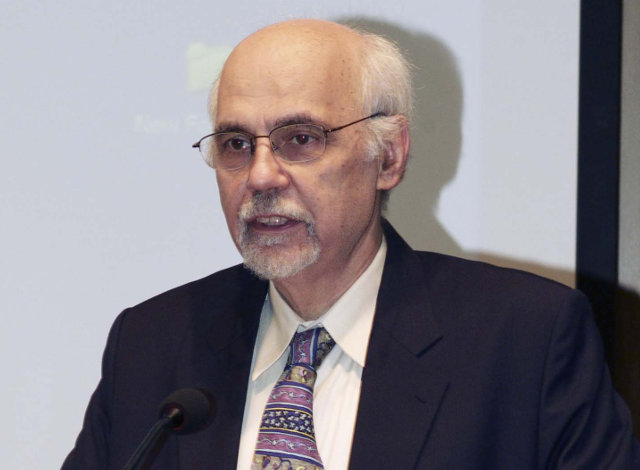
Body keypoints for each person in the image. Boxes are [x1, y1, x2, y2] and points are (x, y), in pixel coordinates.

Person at [63, 19, 639, 469]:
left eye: (300, 138)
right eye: (237, 143)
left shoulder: (526, 339)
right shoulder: (152, 344)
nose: (260, 176)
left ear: (388, 157)